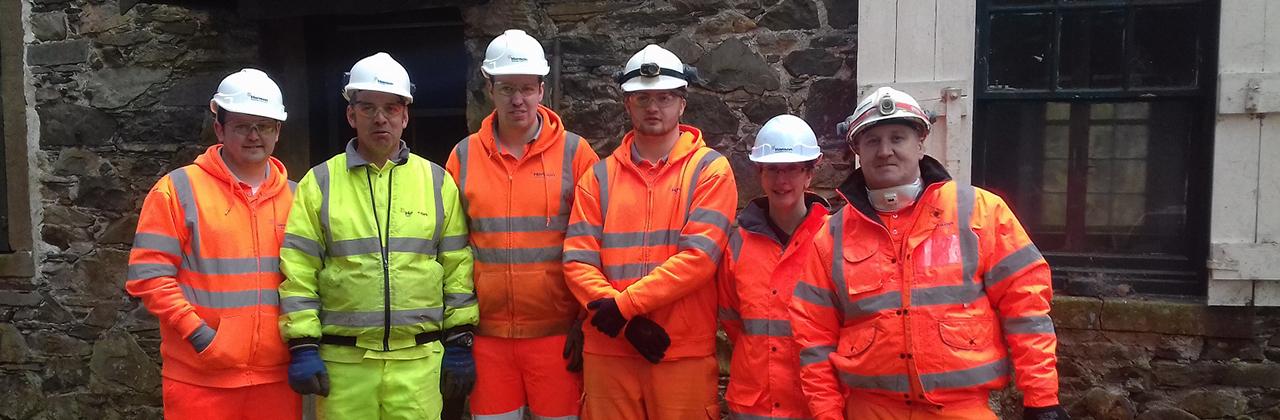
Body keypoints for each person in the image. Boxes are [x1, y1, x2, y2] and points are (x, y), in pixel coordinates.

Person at [789, 86, 1068, 420]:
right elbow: (813, 338)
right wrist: (827, 414)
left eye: (897, 137)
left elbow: (1027, 309)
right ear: (858, 151)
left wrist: (1042, 399)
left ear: (920, 144)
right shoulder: (832, 236)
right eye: (872, 141)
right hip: (871, 410)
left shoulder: (980, 212)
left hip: (962, 410)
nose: (885, 151)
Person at [277, 52, 477, 420]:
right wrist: (302, 344)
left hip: (418, 363)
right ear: (351, 115)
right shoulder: (319, 183)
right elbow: (299, 271)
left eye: (390, 107)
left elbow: (457, 267)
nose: (380, 118)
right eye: (367, 108)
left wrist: (460, 340)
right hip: (343, 365)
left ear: (405, 114)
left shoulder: (437, 182)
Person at [563, 44, 738, 419]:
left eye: (663, 97)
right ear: (627, 104)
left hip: (680, 352)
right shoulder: (598, 176)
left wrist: (623, 308)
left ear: (682, 104)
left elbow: (698, 259)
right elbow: (577, 261)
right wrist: (626, 325)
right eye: (642, 98)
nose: (653, 107)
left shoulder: (710, 170)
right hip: (610, 350)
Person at [126, 68, 300, 419]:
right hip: (199, 380)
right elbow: (149, 277)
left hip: (276, 381)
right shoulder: (177, 190)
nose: (254, 136)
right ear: (220, 128)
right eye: (242, 126)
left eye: (264, 126)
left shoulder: (298, 198)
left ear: (277, 132)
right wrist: (200, 336)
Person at [445, 29, 599, 420]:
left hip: (557, 337)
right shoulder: (464, 156)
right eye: (507, 88)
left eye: (527, 88)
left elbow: (595, 242)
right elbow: (451, 249)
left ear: (541, 90)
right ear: (489, 88)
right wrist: (456, 330)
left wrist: (587, 319)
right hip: (487, 338)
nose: (518, 100)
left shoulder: (576, 153)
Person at [718, 114, 829, 420]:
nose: (782, 181)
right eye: (773, 170)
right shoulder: (737, 244)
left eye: (793, 169)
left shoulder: (833, 240)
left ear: (809, 174)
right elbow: (732, 322)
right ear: (760, 174)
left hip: (813, 404)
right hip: (753, 404)